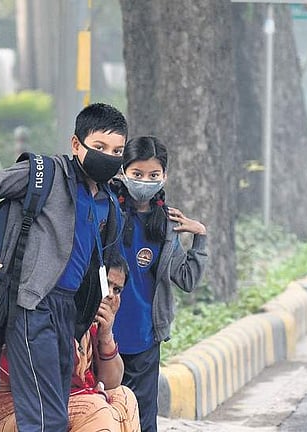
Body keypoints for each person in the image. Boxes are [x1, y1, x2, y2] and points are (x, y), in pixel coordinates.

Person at [0, 103, 127, 431]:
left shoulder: (106, 201)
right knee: (41, 416)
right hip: (33, 307)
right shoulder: (46, 175)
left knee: (56, 414)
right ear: (76, 144)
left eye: (117, 151)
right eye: (99, 146)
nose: (108, 156)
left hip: (68, 313)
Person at [0, 255, 141, 432]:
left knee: (125, 397)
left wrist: (106, 335)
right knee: (95, 409)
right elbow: (42, 383)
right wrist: (93, 394)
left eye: (117, 290)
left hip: (52, 408)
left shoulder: (88, 324)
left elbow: (111, 382)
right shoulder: (42, 307)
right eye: (106, 284)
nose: (110, 295)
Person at [110, 135, 208, 432]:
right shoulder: (106, 210)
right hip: (102, 334)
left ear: (164, 176)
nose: (145, 181)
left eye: (153, 175)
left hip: (144, 339)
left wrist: (199, 236)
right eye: (137, 173)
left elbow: (187, 279)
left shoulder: (166, 224)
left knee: (143, 420)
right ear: (123, 171)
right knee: (103, 414)